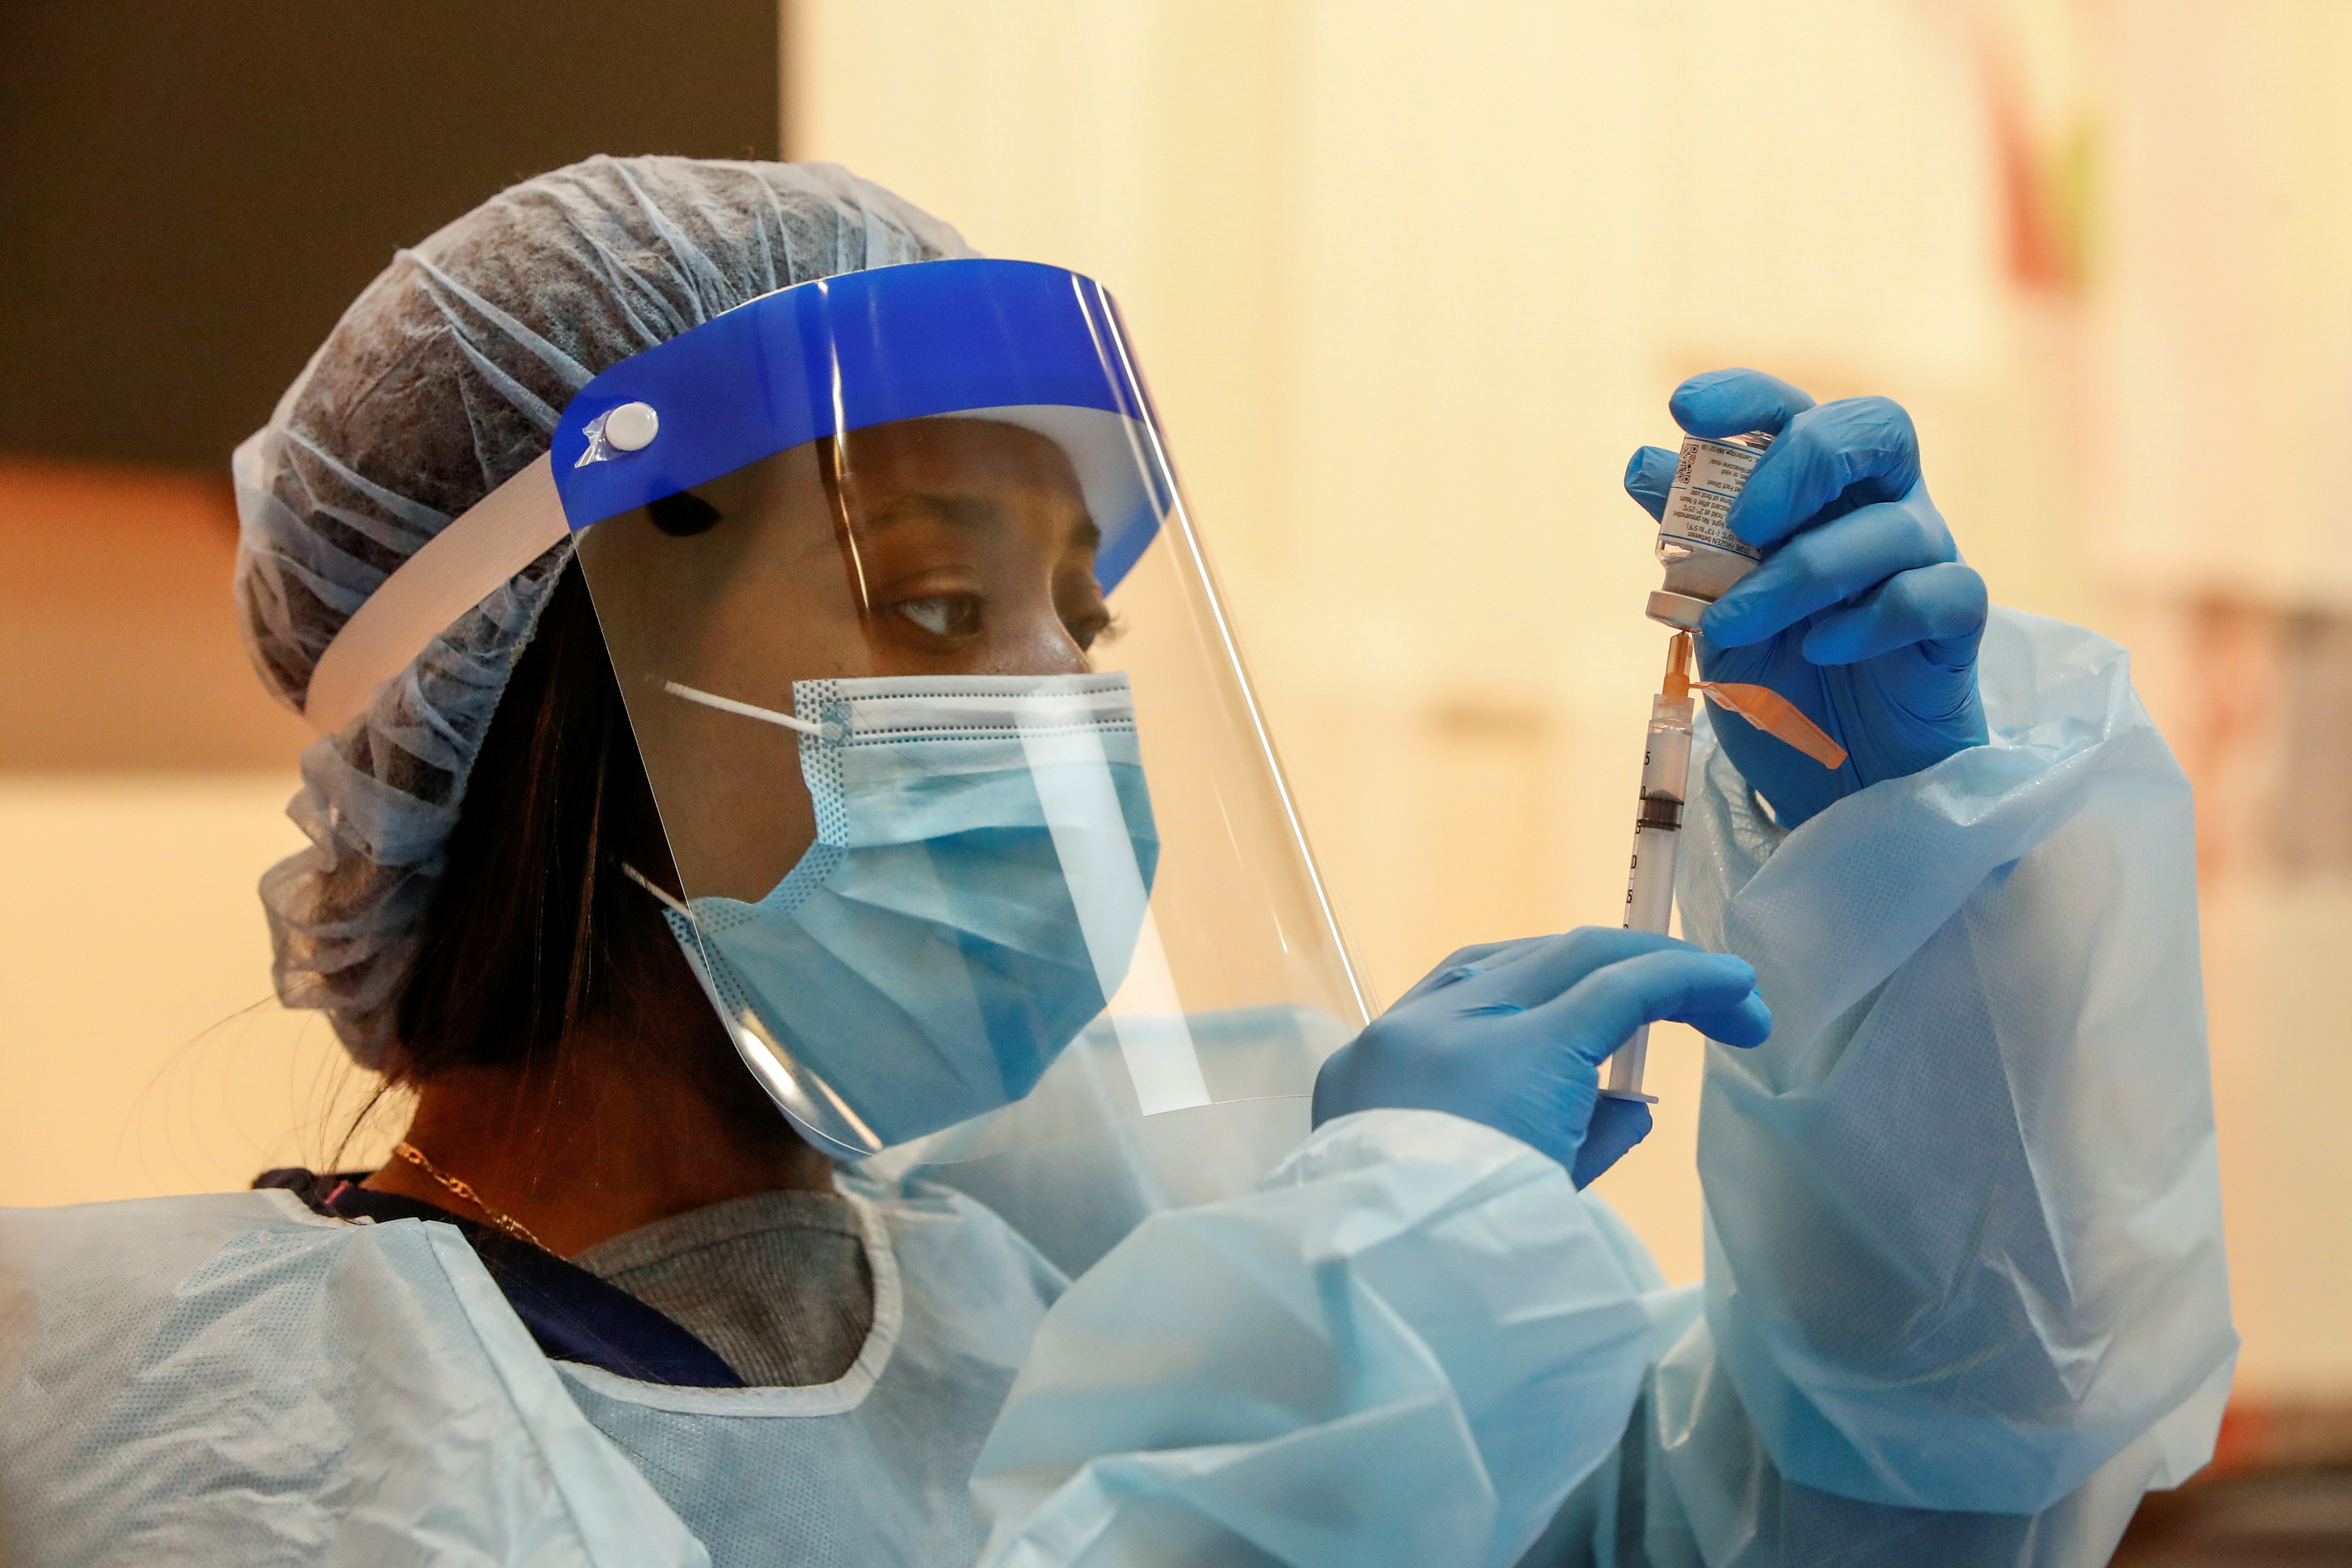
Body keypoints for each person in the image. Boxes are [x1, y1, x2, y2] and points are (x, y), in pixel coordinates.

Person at [0, 156, 2228, 1568]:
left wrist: (1899, 874)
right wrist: (1362, 1314)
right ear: (553, 683)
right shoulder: (186, 1417)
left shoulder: (1073, 1287)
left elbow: (1892, 1508)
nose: (1061, 714)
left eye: (1088, 626)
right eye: (938, 604)